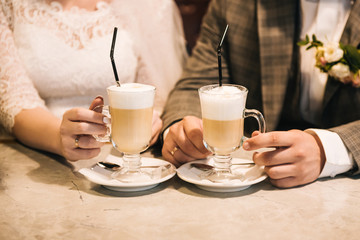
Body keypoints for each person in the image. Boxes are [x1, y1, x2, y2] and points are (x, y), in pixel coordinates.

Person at [161, 0, 360, 188]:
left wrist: (329, 149)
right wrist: (182, 133)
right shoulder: (235, 4)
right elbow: (194, 85)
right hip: (254, 185)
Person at [0, 0, 187, 161]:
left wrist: (153, 119)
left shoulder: (149, 5)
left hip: (128, 155)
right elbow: (14, 98)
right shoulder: (9, 5)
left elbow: (159, 93)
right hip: (38, 154)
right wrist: (59, 137)